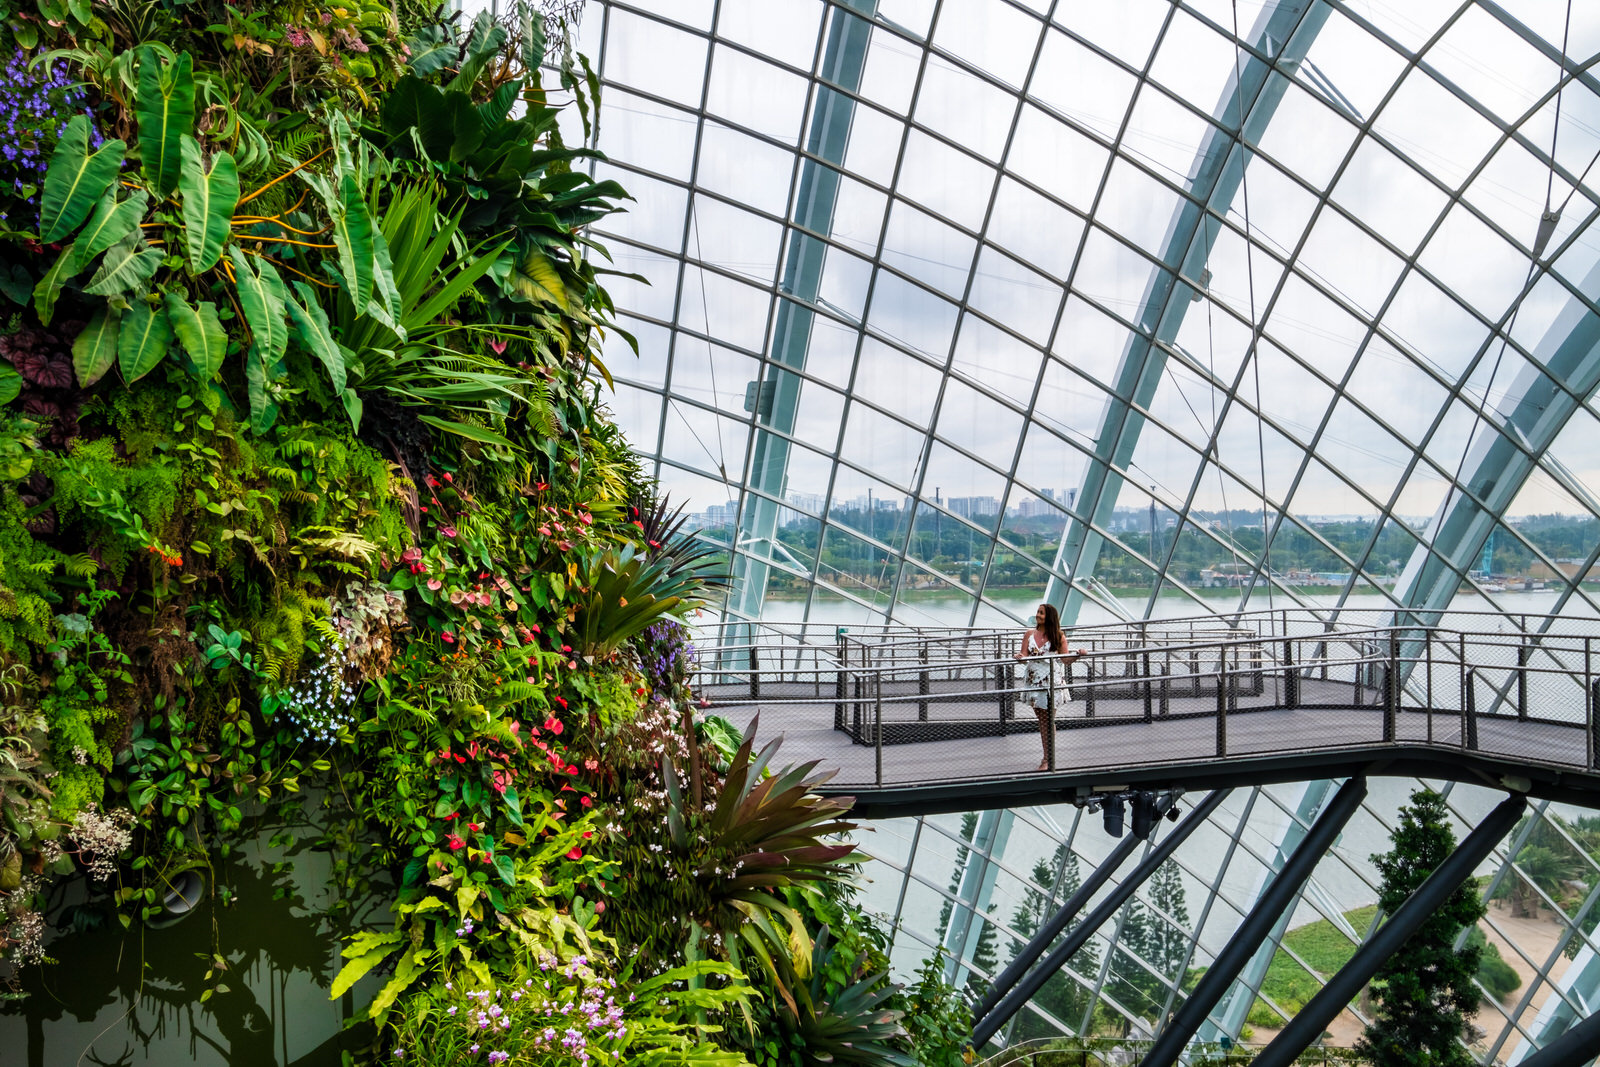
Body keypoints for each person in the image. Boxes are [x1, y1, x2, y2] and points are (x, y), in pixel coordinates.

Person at [1015, 603, 1083, 771]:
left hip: (1051, 681)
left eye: (1041, 613)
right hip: (1033, 680)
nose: (1038, 615)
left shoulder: (1058, 635)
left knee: (1048, 719)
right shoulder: (1029, 634)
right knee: (1042, 719)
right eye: (1038, 612)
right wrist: (1020, 657)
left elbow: (1065, 660)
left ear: (1049, 617)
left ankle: (1047, 759)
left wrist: (1078, 655)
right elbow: (1024, 655)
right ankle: (1047, 757)